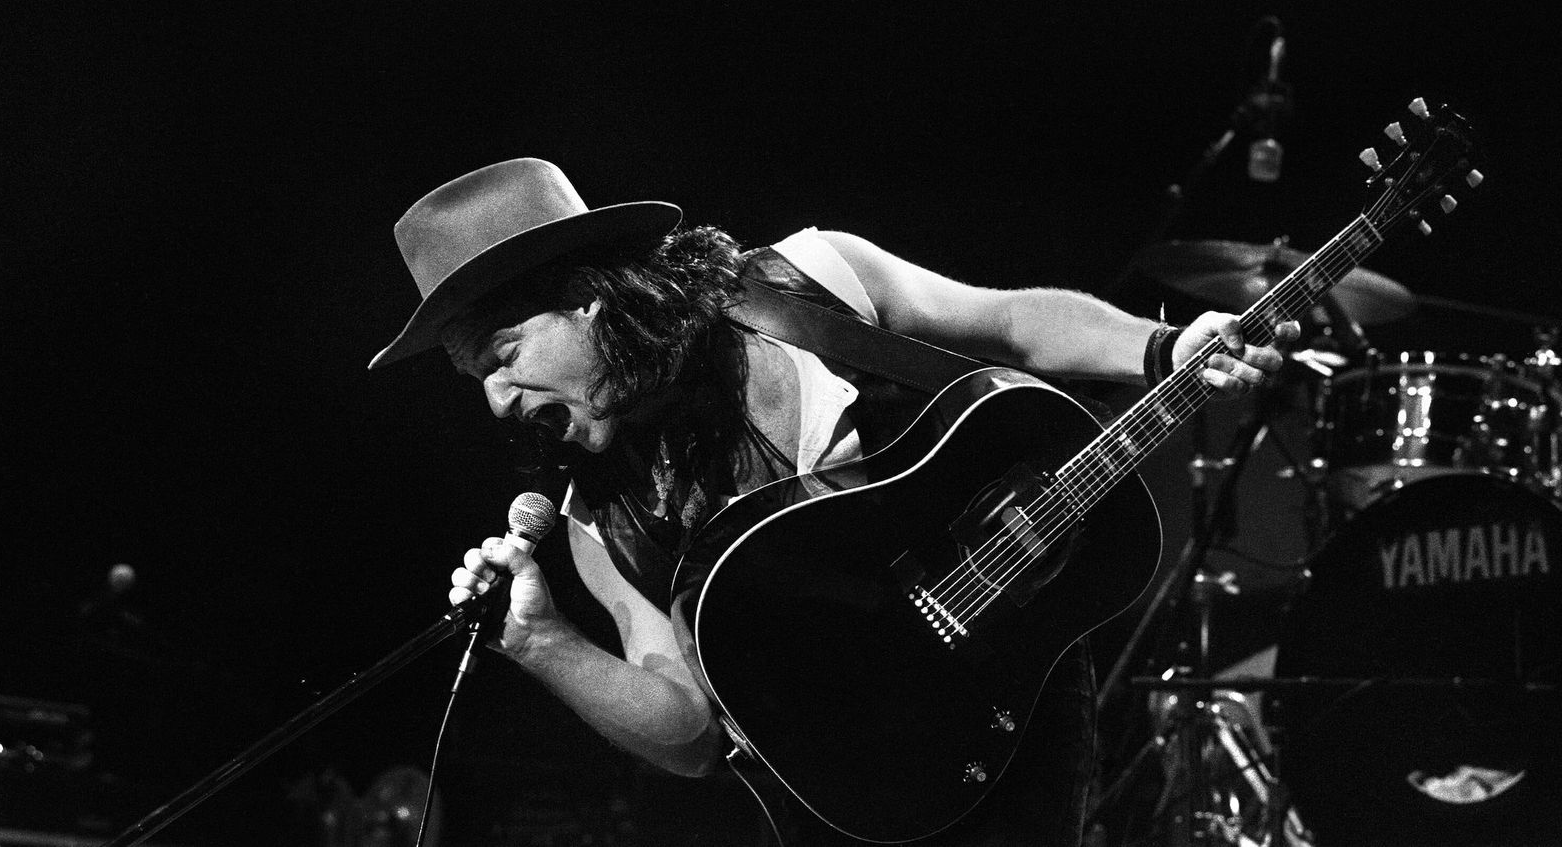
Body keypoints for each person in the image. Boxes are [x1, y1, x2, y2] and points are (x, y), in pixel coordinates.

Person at [369, 157, 1296, 846]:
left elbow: (1009, 324)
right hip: (846, 804)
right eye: (476, 379)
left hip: (1008, 706)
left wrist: (1162, 348)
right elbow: (689, 735)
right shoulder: (598, 519)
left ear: (590, 300)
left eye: (504, 356)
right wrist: (541, 642)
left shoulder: (810, 285)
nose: (498, 401)